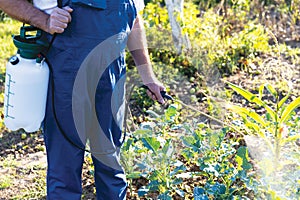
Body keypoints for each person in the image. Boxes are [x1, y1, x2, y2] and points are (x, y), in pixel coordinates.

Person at [0, 0, 166, 199]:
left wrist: (148, 76)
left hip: (111, 78)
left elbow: (134, 19)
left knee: (112, 164)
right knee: (65, 169)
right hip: (66, 73)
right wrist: (44, 20)